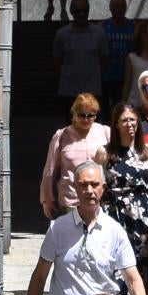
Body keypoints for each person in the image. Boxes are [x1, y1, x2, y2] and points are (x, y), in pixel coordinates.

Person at [25, 164, 146, 295]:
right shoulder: (58, 228)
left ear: (103, 187)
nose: (89, 190)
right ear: (74, 187)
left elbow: (133, 278)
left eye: (94, 184)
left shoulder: (114, 231)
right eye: (83, 185)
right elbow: (39, 276)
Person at [103, 105, 148, 270]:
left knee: (141, 261)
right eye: (124, 120)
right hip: (112, 213)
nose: (129, 124)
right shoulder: (104, 152)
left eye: (132, 120)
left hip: (141, 214)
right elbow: (97, 186)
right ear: (116, 124)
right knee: (114, 261)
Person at [38, 92, 110, 221]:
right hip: (71, 198)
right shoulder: (61, 135)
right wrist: (47, 199)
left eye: (91, 116)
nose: (86, 119)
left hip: (100, 199)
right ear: (74, 113)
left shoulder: (105, 132)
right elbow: (50, 169)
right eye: (82, 115)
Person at [49, 0, 107, 109]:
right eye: (78, 11)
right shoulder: (62, 35)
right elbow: (57, 63)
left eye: (85, 11)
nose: (82, 14)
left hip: (92, 92)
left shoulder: (99, 33)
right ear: (71, 11)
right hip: (68, 92)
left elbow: (104, 61)